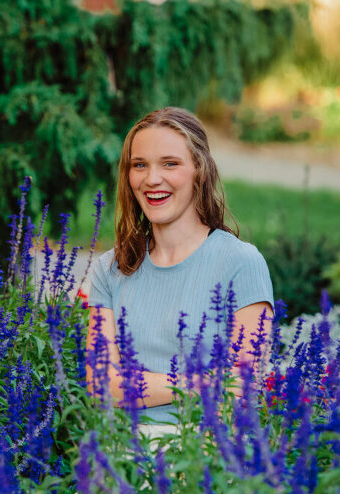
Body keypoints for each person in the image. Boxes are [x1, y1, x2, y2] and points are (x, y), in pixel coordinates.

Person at [86, 107, 274, 427]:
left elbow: (241, 388)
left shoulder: (241, 264)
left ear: (199, 169)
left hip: (205, 447)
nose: (151, 179)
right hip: (121, 447)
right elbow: (100, 386)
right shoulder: (111, 269)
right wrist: (199, 383)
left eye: (170, 163)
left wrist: (139, 386)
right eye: (139, 165)